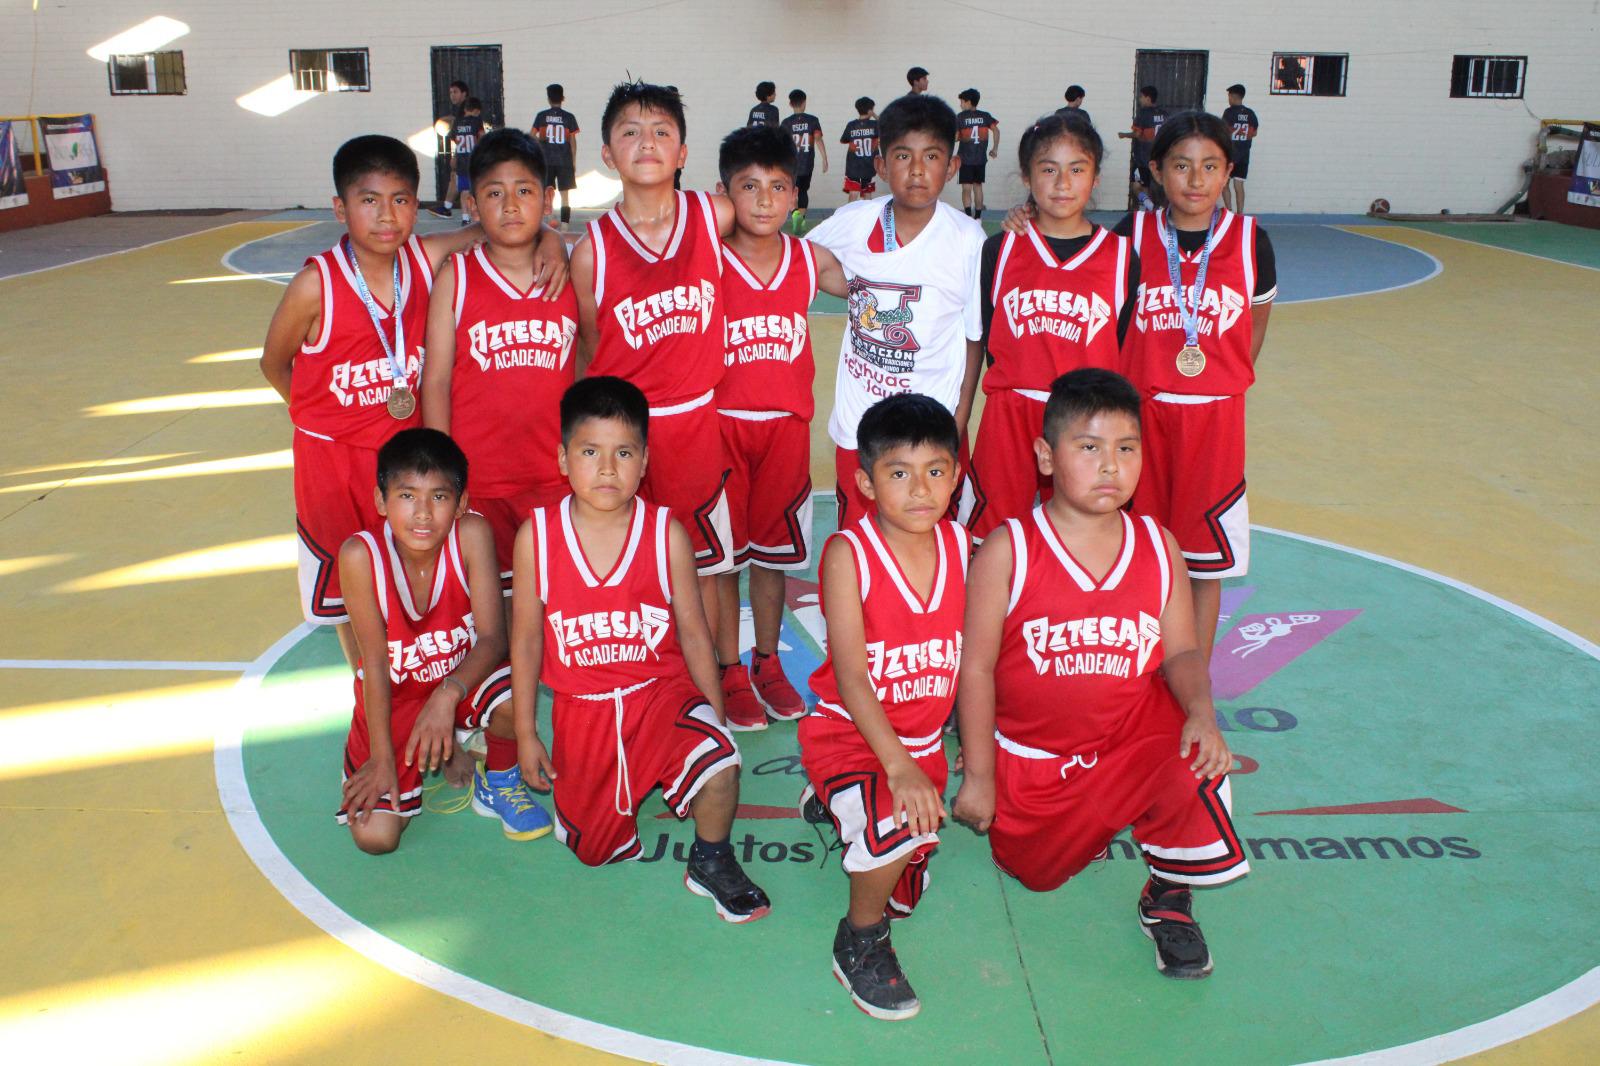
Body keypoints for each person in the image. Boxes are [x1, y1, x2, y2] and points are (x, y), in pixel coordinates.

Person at [954, 368, 1247, 977]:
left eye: (1126, 448)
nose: (1110, 465)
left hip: (1125, 741)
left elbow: (1182, 654)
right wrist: (980, 774)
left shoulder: (1159, 545)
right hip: (1035, 760)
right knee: (1033, 874)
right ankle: (1087, 820)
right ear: (1045, 455)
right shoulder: (1009, 550)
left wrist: (1201, 713)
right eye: (1089, 448)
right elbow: (976, 670)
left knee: (1197, 756)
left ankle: (1169, 897)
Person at [260, 134, 565, 671]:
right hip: (335, 464)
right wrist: (323, 417)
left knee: (419, 581)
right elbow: (272, 362)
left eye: (400, 201)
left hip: (408, 465)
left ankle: (430, 692)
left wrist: (552, 241)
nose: (386, 216)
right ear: (340, 208)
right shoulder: (316, 285)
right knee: (349, 599)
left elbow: (495, 227)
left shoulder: (423, 262)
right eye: (369, 200)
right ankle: (370, 698)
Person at [509, 377, 772, 922]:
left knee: (720, 764)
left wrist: (713, 713)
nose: (607, 468)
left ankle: (711, 857)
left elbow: (695, 633)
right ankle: (603, 801)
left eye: (623, 452)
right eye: (589, 452)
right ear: (563, 458)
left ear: (645, 460)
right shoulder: (537, 536)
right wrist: (529, 733)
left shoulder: (664, 533)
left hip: (659, 695)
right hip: (585, 712)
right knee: (592, 853)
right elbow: (527, 638)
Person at [801, 393, 967, 1020]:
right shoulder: (850, 555)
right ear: (866, 483)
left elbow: (978, 663)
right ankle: (859, 940)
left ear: (956, 474)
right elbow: (851, 678)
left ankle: (842, 806)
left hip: (920, 744)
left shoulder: (962, 546)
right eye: (900, 473)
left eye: (936, 470)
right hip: (850, 733)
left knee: (906, 886)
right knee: (893, 832)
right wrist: (898, 768)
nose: (921, 488)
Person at [568, 81, 739, 675]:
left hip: (695, 418)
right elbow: (590, 349)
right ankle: (646, 672)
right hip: (626, 432)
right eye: (631, 132)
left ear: (684, 152)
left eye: (663, 131)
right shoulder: (590, 251)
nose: (648, 142)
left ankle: (725, 670)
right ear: (608, 154)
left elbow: (774, 211)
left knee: (713, 563)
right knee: (631, 558)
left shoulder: (713, 215)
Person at [336, 428, 554, 852]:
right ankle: (434, 746)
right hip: (394, 696)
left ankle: (499, 781)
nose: (422, 513)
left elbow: (492, 638)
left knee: (513, 690)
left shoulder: (471, 534)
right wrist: (382, 758)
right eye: (406, 496)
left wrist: (445, 695)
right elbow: (375, 665)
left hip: (460, 680)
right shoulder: (359, 557)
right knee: (376, 838)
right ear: (380, 501)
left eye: (438, 497)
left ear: (461, 504)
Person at [1116, 111, 1276, 667]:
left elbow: (1256, 320)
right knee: (1135, 551)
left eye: (1210, 166)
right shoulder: (1129, 235)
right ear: (1157, 170)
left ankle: (1193, 677)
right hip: (1140, 420)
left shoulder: (1252, 241)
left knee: (1206, 565)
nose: (1196, 179)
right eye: (1181, 166)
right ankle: (1134, 669)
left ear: (1228, 170)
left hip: (1214, 421)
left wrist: (1222, 377)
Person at [711, 126, 848, 730]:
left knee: (772, 558)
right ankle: (727, 668)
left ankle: (766, 662)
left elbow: (887, 282)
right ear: (724, 194)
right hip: (717, 427)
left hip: (785, 431)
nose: (764, 201)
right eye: (749, 187)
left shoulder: (809, 260)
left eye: (777, 187)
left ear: (796, 195)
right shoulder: (705, 258)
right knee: (719, 562)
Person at [807, 93, 986, 527]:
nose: (918, 169)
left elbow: (973, 338)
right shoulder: (854, 222)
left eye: (932, 156)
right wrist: (856, 292)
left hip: (931, 426)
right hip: (859, 428)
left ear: (952, 167)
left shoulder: (967, 239)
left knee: (929, 548)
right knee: (859, 548)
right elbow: (802, 261)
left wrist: (957, 422)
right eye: (903, 156)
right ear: (882, 167)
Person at [967, 113, 1137, 543]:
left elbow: (1121, 344)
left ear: (1096, 177)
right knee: (992, 539)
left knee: (1083, 535)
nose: (1063, 183)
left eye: (1077, 169)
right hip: (1010, 414)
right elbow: (987, 339)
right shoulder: (1000, 249)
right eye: (1048, 169)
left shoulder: (1121, 257)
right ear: (1026, 175)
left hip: (1086, 420)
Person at [421, 129, 578, 593]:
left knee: (554, 597)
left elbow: (589, 366)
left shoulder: (570, 272)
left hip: (556, 476)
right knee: (490, 603)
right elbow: (435, 382)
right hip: (480, 479)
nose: (511, 206)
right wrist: (443, 474)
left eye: (524, 192)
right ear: (472, 205)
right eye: (495, 193)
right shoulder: (457, 277)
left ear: (547, 200)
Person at [531, 83, 581, 228]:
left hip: (546, 159)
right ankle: (565, 224)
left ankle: (550, 220)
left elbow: (532, 135)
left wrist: (541, 144)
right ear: (563, 98)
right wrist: (574, 160)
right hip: (564, 160)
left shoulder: (541, 116)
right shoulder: (569, 117)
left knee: (547, 192)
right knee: (564, 194)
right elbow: (573, 141)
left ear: (548, 99)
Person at [782, 89, 828, 233]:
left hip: (791, 164)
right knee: (803, 191)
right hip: (807, 163)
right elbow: (818, 139)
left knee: (792, 191)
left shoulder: (786, 123)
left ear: (790, 104)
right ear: (804, 102)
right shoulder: (812, 120)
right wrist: (825, 158)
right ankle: (800, 218)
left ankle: (795, 214)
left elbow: (781, 144)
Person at [1119, 85, 1167, 210]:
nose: (1140, 99)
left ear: (1148, 98)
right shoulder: (1164, 113)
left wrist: (1123, 135)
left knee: (1137, 185)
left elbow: (1137, 134)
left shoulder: (1143, 114)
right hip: (1160, 157)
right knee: (1156, 186)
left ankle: (1149, 209)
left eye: (1141, 97)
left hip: (1144, 157)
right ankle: (1155, 209)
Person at [955, 88, 1000, 219]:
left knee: (966, 189)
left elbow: (956, 137)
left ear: (968, 102)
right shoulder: (985, 116)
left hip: (965, 159)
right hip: (980, 159)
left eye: (962, 102)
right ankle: (978, 217)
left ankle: (968, 217)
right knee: (978, 187)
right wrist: (995, 148)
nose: (961, 105)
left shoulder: (960, 117)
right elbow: (996, 131)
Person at [430, 79, 469, 216]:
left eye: (455, 92)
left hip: (468, 153)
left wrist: (455, 155)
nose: (452, 95)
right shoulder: (462, 111)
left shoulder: (465, 111)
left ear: (464, 93)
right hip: (467, 152)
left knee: (461, 180)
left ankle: (453, 210)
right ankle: (447, 207)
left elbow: (461, 136)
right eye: (451, 92)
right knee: (456, 177)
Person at [446, 98, 488, 223]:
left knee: (464, 190)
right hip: (474, 159)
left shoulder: (457, 122)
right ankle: (480, 214)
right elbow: (482, 137)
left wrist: (455, 156)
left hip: (461, 160)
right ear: (476, 111)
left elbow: (454, 139)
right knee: (479, 188)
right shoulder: (477, 121)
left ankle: (465, 218)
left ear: (465, 109)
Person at [1220, 84, 1259, 214]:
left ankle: (1229, 212)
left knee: (1225, 184)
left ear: (1232, 96)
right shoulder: (1250, 113)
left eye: (1229, 96)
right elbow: (1254, 133)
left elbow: (1223, 131)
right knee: (1239, 185)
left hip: (1230, 155)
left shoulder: (1229, 112)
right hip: (1244, 155)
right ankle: (1240, 214)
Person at [840, 97, 879, 202]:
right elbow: (886, 127)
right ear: (870, 110)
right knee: (867, 192)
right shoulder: (875, 125)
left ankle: (850, 216)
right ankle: (867, 217)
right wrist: (874, 115)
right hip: (869, 164)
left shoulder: (851, 125)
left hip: (853, 165)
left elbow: (843, 140)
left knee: (853, 192)